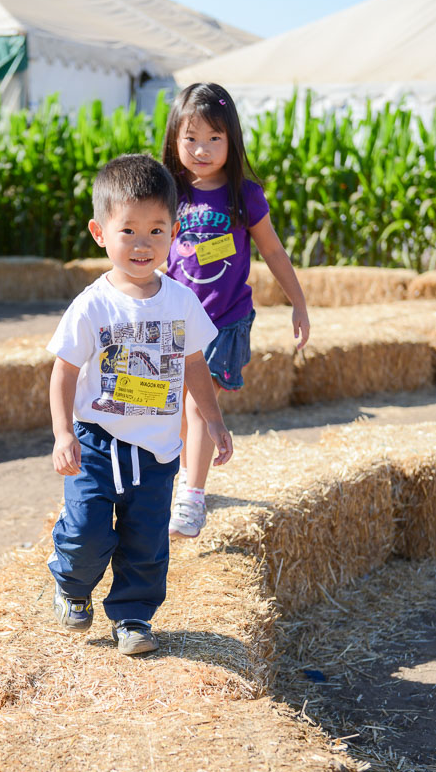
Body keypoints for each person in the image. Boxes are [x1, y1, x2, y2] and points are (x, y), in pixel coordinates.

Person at [46, 153, 233, 655]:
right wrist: (64, 433)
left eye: (156, 230)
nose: (143, 243)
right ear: (99, 232)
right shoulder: (93, 304)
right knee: (88, 533)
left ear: (174, 233)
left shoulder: (181, 302)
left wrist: (213, 421)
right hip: (97, 444)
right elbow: (63, 372)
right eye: (128, 230)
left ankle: (132, 616)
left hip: (156, 452)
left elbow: (195, 365)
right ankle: (71, 584)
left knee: (146, 543)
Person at [162, 83, 310, 538]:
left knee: (198, 403)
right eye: (191, 138)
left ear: (232, 140)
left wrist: (299, 302)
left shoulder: (244, 195)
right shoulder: (167, 193)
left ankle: (192, 496)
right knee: (180, 407)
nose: (201, 149)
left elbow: (273, 252)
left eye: (213, 139)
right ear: (174, 140)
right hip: (175, 320)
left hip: (223, 321)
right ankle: (186, 482)